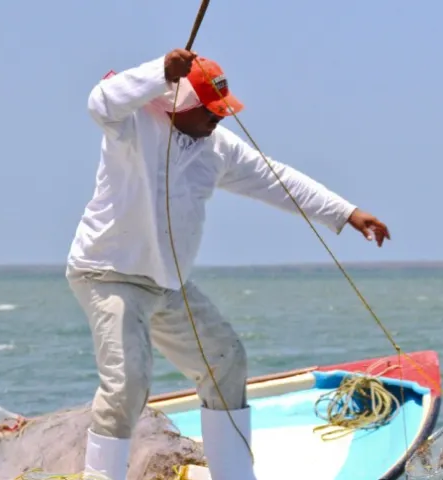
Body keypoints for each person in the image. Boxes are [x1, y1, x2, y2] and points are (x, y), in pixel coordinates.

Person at [65, 48, 391, 480]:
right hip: (109, 274)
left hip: (168, 285)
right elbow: (100, 100)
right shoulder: (132, 123)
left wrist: (345, 212)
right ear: (182, 105)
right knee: (128, 383)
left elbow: (277, 179)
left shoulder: (217, 147)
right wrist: (160, 71)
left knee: (226, 361)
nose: (219, 119)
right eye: (211, 111)